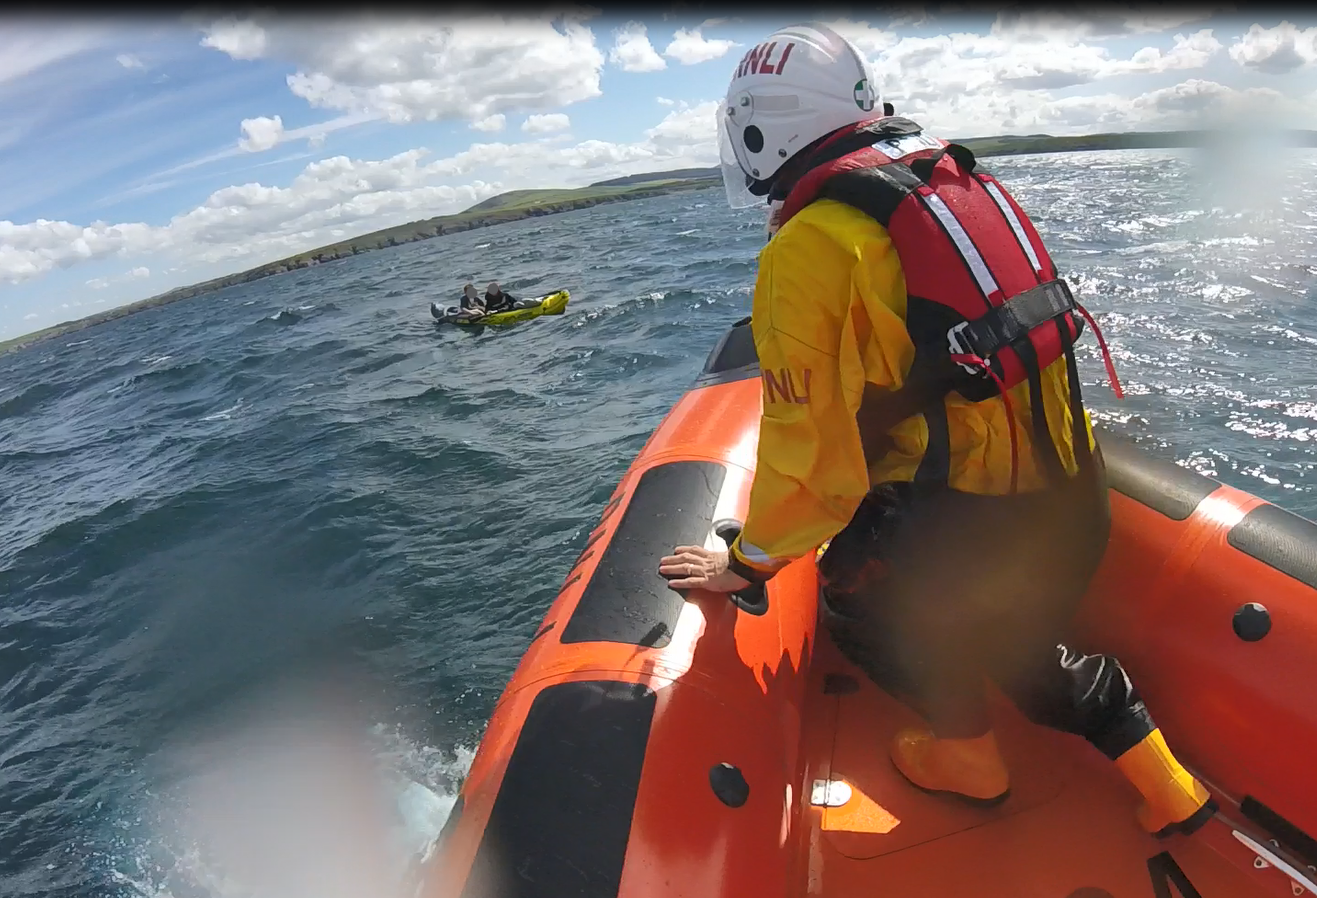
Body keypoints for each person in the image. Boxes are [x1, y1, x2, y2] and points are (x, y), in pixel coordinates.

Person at [658, 21, 1215, 838]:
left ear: (758, 131)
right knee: (1022, 643)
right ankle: (1173, 790)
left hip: (973, 532)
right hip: (1072, 498)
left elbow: (807, 451)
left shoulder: (808, 248)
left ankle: (968, 756)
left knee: (853, 592)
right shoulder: (953, 185)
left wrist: (746, 565)